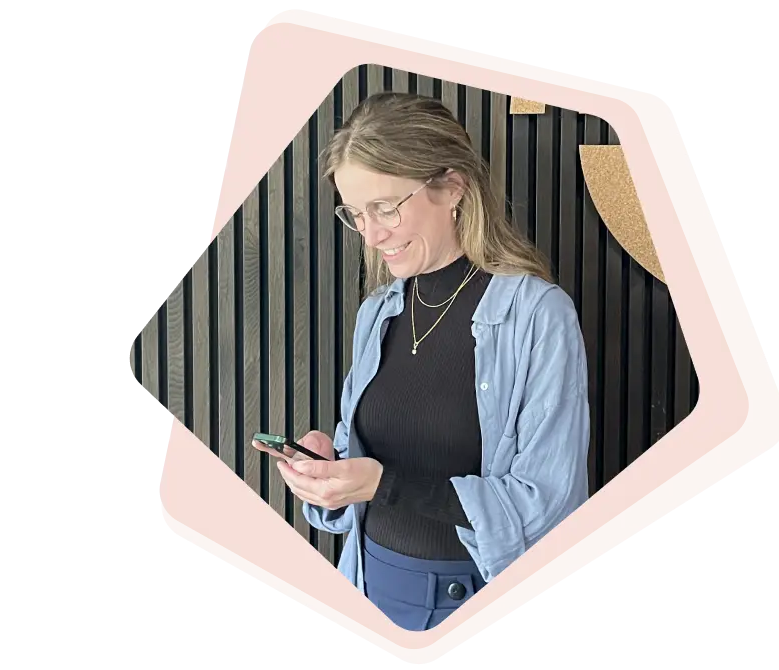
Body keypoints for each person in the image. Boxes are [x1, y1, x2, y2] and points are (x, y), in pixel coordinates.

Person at [251, 91, 590, 632]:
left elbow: (546, 504)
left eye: (386, 207)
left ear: (452, 186)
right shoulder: (379, 312)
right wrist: (329, 468)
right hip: (364, 585)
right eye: (355, 214)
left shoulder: (538, 315)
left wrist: (381, 484)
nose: (371, 233)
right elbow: (365, 469)